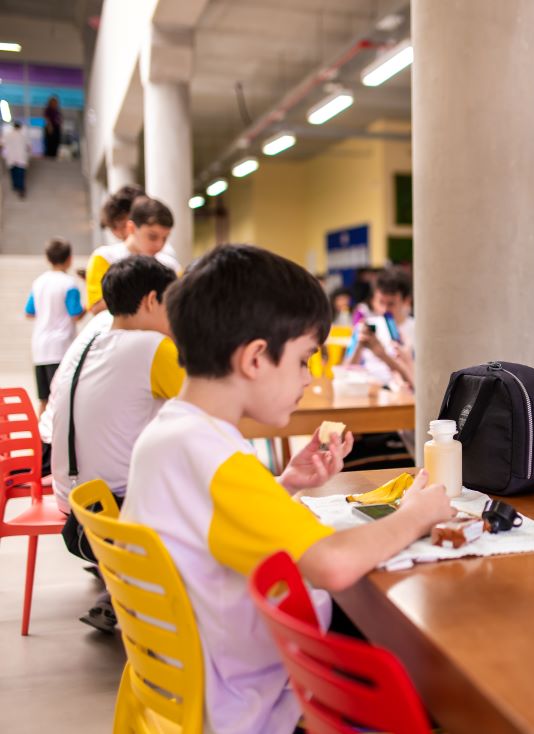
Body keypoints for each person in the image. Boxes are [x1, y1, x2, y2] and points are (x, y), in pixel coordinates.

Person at [121, 244, 454, 734]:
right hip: (248, 702)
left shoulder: (168, 434)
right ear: (256, 357)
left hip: (177, 692)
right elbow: (334, 565)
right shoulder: (221, 460)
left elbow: (207, 524)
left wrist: (284, 484)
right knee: (430, 679)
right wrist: (416, 514)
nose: (309, 377)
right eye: (303, 360)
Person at [50, 255, 182, 631]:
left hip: (75, 509)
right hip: (119, 514)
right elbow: (212, 410)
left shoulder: (89, 343)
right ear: (153, 301)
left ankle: (122, 588)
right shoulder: (153, 347)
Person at [86, 196, 179, 314]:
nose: (159, 245)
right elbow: (95, 308)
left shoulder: (170, 265)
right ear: (131, 228)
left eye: (165, 238)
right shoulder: (105, 257)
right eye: (152, 237)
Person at [25, 238, 84, 411]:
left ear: (47, 258)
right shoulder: (69, 284)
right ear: (69, 258)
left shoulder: (39, 282)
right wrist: (89, 306)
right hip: (61, 347)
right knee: (60, 399)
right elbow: (75, 315)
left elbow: (29, 312)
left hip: (39, 347)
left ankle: (39, 437)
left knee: (43, 400)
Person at [2, 121, 30, 198]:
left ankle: (15, 186)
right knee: (20, 175)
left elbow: (2, 145)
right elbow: (28, 147)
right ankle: (21, 190)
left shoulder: (7, 135)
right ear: (20, 127)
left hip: (11, 158)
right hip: (21, 158)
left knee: (13, 173)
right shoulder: (23, 136)